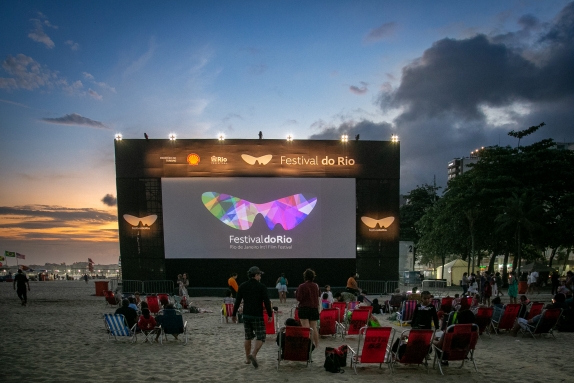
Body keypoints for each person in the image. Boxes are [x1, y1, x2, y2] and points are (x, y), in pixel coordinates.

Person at [232, 266, 273, 369]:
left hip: (246, 315)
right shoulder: (262, 287)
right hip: (257, 315)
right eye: (259, 275)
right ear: (256, 275)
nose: (260, 276)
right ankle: (254, 354)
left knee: (248, 337)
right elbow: (267, 302)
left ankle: (247, 358)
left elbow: (237, 301)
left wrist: (233, 314)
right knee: (261, 336)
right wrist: (270, 314)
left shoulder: (242, 286)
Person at [296, 268, 321, 348]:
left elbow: (299, 298)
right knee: (314, 327)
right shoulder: (316, 286)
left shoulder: (302, 286)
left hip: (304, 308)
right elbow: (318, 296)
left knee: (305, 327)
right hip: (314, 308)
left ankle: (307, 344)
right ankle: (316, 345)